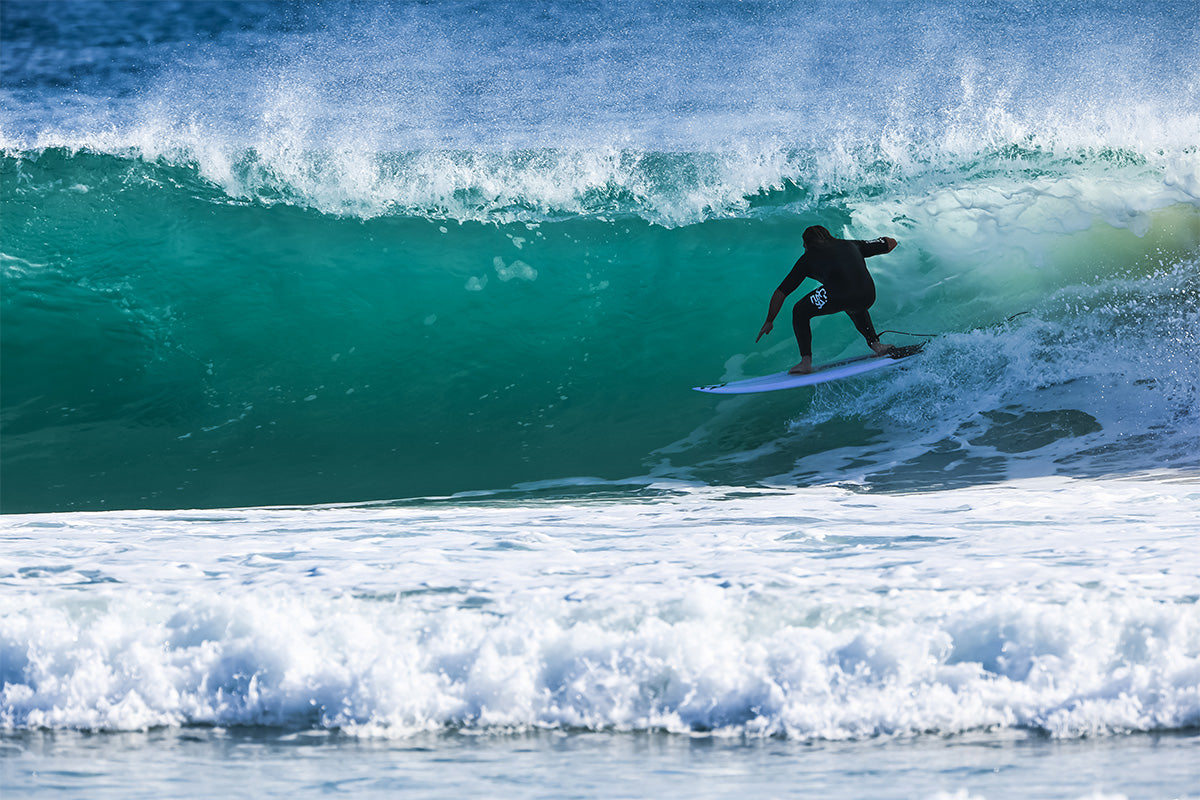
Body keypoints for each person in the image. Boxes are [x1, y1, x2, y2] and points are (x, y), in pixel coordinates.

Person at [756, 225, 898, 374]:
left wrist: (769, 320)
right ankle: (877, 345)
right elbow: (890, 243)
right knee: (854, 306)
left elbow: (782, 291)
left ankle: (805, 362)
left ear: (807, 244)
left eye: (804, 245)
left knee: (799, 311)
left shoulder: (807, 259)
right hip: (868, 294)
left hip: (840, 293)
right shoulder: (851, 244)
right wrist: (883, 241)